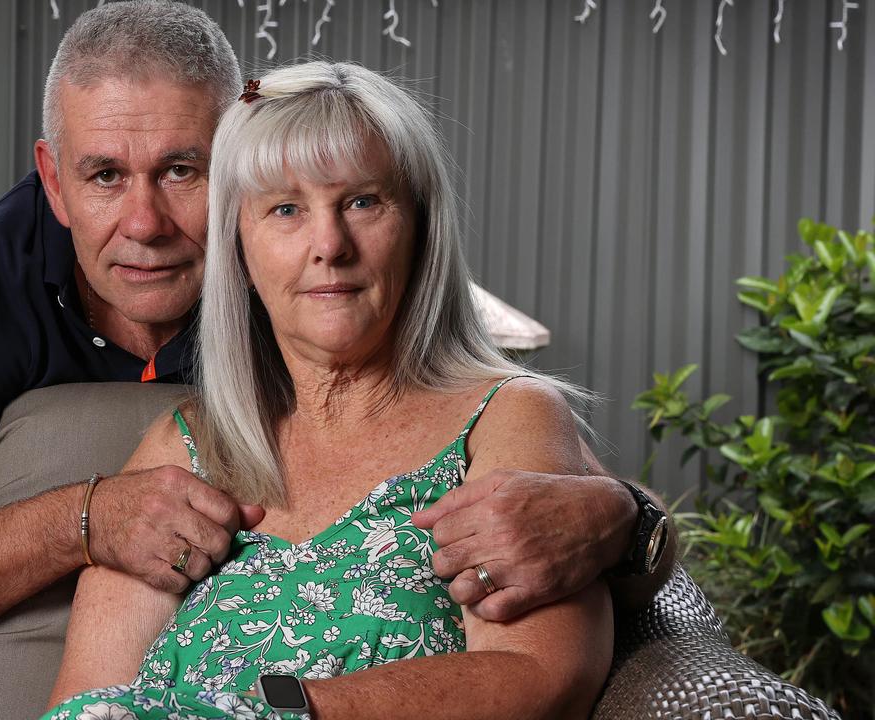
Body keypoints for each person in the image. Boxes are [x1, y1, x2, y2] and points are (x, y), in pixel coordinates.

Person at [0, 0, 671, 664]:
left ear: (247, 166)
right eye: (105, 176)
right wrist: (87, 519)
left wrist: (619, 518)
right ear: (53, 179)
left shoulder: (320, 269)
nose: (145, 222)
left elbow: (540, 474)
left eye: (183, 170)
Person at [44, 60, 613, 720]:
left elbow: (541, 676)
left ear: (422, 231)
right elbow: (83, 704)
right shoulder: (188, 446)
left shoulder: (506, 416)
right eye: (285, 209)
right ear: (240, 249)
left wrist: (284, 710)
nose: (329, 244)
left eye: (362, 202)